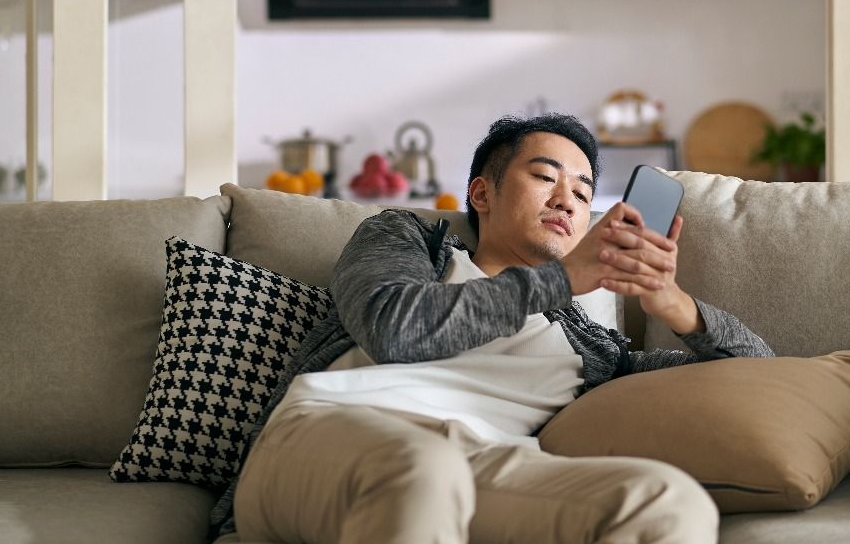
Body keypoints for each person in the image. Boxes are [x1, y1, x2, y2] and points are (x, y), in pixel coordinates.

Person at [220, 113, 774, 544]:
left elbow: (764, 382)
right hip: (328, 435)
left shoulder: (597, 353)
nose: (566, 200)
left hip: (480, 466)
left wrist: (673, 303)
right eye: (544, 177)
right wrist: (559, 280)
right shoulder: (410, 241)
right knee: (423, 468)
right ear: (482, 193)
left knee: (668, 502)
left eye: (583, 194)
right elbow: (391, 327)